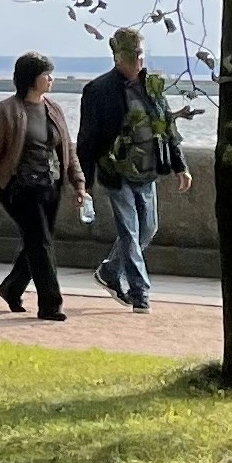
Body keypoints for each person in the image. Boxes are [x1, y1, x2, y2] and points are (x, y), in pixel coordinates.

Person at [76, 24, 190, 312]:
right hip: (116, 172)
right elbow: (87, 139)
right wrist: (83, 182)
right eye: (134, 55)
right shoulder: (98, 90)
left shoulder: (152, 86)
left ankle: (110, 272)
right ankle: (140, 293)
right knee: (129, 231)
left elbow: (167, 128)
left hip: (148, 172)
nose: (140, 60)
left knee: (148, 229)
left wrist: (180, 166)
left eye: (142, 53)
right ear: (119, 58)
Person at [0, 50, 76, 320]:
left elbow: (68, 150)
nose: (51, 79)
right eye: (45, 74)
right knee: (41, 243)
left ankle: (11, 288)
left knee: (38, 242)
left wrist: (79, 183)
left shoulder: (54, 110)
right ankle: (51, 305)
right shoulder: (8, 110)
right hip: (19, 188)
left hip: (50, 187)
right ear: (30, 78)